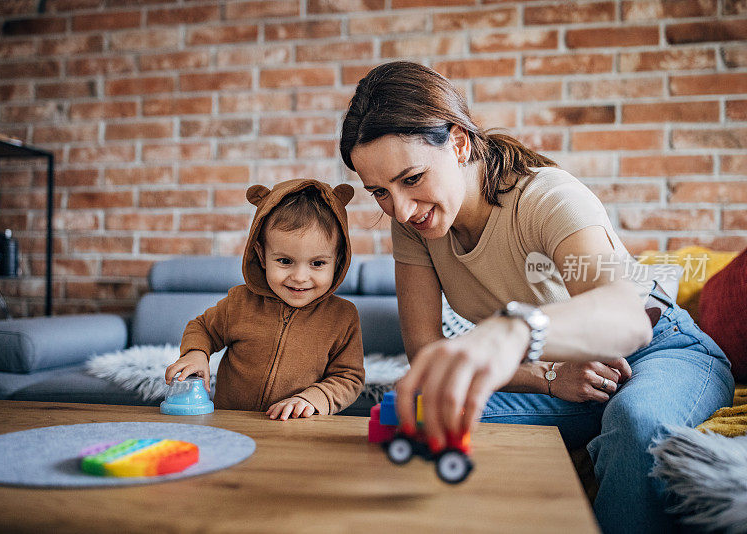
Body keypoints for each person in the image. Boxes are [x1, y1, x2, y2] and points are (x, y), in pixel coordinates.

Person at [339, 61, 734, 533]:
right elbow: (425, 350)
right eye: (379, 192)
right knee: (409, 414)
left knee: (635, 421)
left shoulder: (548, 199)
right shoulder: (417, 227)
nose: (400, 210)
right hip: (572, 380)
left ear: (460, 143)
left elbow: (628, 317)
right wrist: (547, 378)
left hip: (659, 350)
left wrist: (519, 329)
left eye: (412, 179)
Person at [164, 179, 365, 421]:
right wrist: (196, 353)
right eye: (285, 261)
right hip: (231, 423)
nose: (300, 277)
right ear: (261, 256)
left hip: (297, 431)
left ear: (338, 260)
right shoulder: (240, 303)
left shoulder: (342, 316)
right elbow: (203, 327)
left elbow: (349, 377)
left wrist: (313, 398)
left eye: (318, 263)